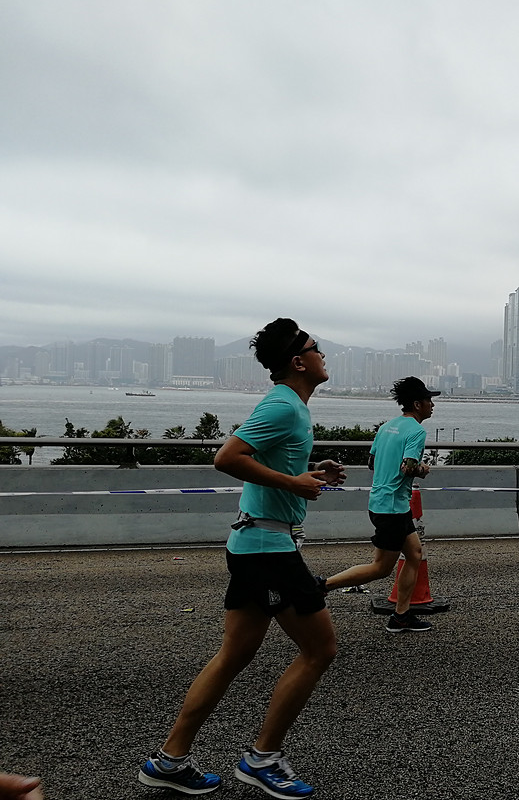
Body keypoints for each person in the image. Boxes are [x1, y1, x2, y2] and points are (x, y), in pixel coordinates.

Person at [138, 318, 345, 798]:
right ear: (298, 361)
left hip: (255, 544)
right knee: (320, 650)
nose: (322, 355)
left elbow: (263, 463)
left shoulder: (290, 407)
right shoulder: (283, 406)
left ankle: (169, 761)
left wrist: (310, 472)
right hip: (268, 550)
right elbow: (227, 457)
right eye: (317, 349)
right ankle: (262, 757)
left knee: (233, 656)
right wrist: (295, 484)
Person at [325, 376, 438, 632]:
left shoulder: (387, 427)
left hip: (384, 503)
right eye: (430, 400)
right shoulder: (417, 431)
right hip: (392, 508)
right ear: (418, 404)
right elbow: (408, 467)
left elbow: (372, 464)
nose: (433, 405)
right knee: (381, 568)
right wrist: (423, 469)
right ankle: (321, 586)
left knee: (415, 554)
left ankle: (401, 616)